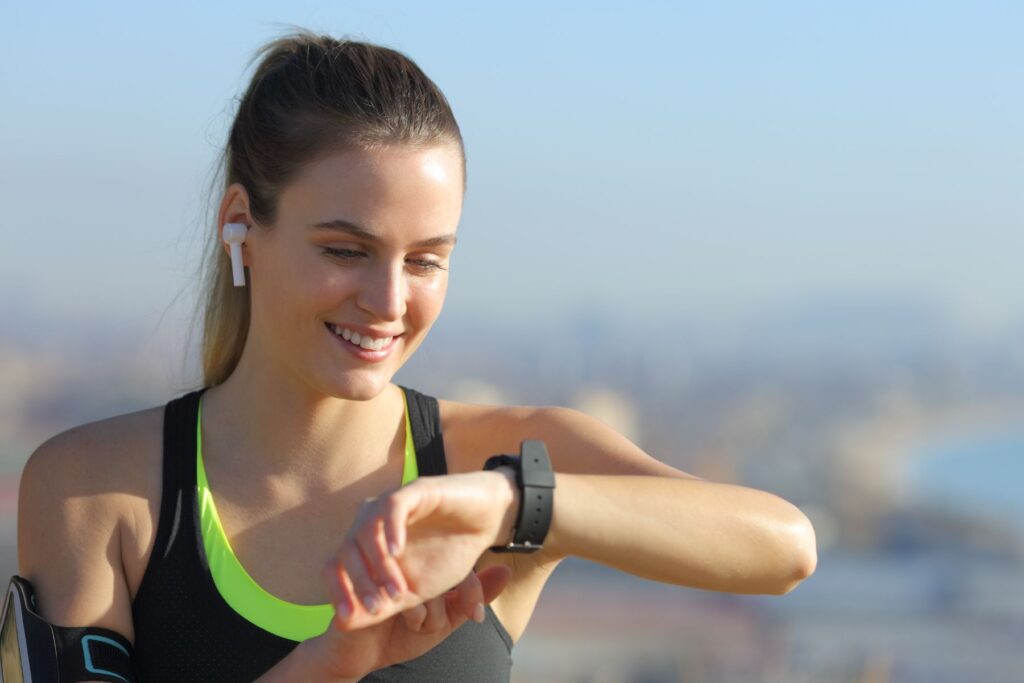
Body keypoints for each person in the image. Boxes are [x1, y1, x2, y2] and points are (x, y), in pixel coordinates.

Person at [16, 29, 818, 682]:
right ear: (241, 225)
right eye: (345, 248)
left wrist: (510, 504)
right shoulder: (95, 492)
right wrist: (329, 665)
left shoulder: (493, 462)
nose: (390, 301)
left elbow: (783, 548)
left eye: (427, 259)